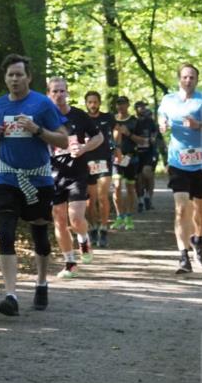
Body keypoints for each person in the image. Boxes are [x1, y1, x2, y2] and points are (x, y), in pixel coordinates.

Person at [0, 54, 69, 316]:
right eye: (10, 75)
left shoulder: (42, 104)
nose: (15, 79)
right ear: (5, 78)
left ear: (28, 77)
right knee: (5, 233)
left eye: (19, 74)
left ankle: (41, 282)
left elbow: (64, 140)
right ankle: (10, 295)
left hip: (38, 178)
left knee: (40, 235)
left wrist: (37, 130)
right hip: (7, 177)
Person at [157, 63, 202, 274]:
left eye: (192, 77)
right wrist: (162, 123)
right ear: (179, 78)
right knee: (181, 209)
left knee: (201, 210)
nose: (188, 80)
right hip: (178, 161)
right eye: (185, 77)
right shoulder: (168, 100)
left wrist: (199, 125)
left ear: (196, 80)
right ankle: (183, 256)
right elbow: (161, 115)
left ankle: (198, 238)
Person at [46, 77, 103, 277]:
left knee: (76, 218)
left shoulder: (78, 115)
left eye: (62, 91)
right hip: (53, 174)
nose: (59, 95)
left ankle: (84, 239)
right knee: (59, 220)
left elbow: (99, 137)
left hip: (77, 173)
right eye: (55, 91)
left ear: (67, 93)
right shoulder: (44, 117)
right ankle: (70, 263)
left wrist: (84, 148)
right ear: (48, 94)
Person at [83, 91, 115, 248]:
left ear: (99, 103)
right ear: (86, 103)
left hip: (104, 160)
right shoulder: (82, 119)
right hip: (87, 162)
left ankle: (103, 228)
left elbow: (117, 131)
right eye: (90, 102)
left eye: (95, 102)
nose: (93, 105)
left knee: (103, 197)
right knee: (91, 200)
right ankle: (93, 227)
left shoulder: (108, 118)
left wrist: (117, 148)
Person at [111, 96, 147, 229]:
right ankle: (119, 216)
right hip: (115, 158)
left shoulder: (135, 121)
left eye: (123, 103)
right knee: (116, 186)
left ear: (128, 105)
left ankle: (129, 217)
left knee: (130, 188)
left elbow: (143, 141)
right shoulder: (111, 120)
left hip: (131, 158)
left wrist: (128, 134)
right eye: (118, 104)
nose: (120, 106)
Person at [133, 101, 159, 212]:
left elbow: (155, 132)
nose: (143, 109)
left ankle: (148, 197)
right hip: (136, 153)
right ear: (136, 109)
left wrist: (153, 138)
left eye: (144, 107)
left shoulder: (150, 121)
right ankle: (140, 201)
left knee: (147, 172)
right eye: (141, 107)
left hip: (149, 152)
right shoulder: (133, 121)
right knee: (138, 179)